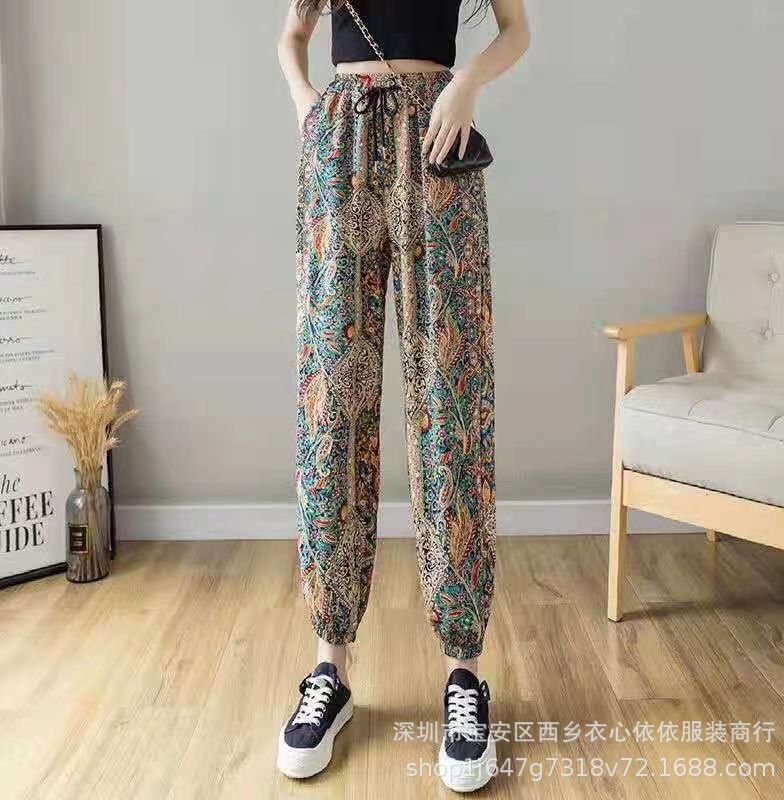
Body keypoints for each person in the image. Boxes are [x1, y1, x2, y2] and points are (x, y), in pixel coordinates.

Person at [276, 0, 529, 790]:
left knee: (452, 400)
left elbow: (517, 29)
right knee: (332, 403)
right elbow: (292, 34)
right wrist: (306, 101)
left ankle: (464, 674)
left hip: (437, 134)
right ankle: (330, 668)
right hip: (340, 138)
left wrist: (467, 85)